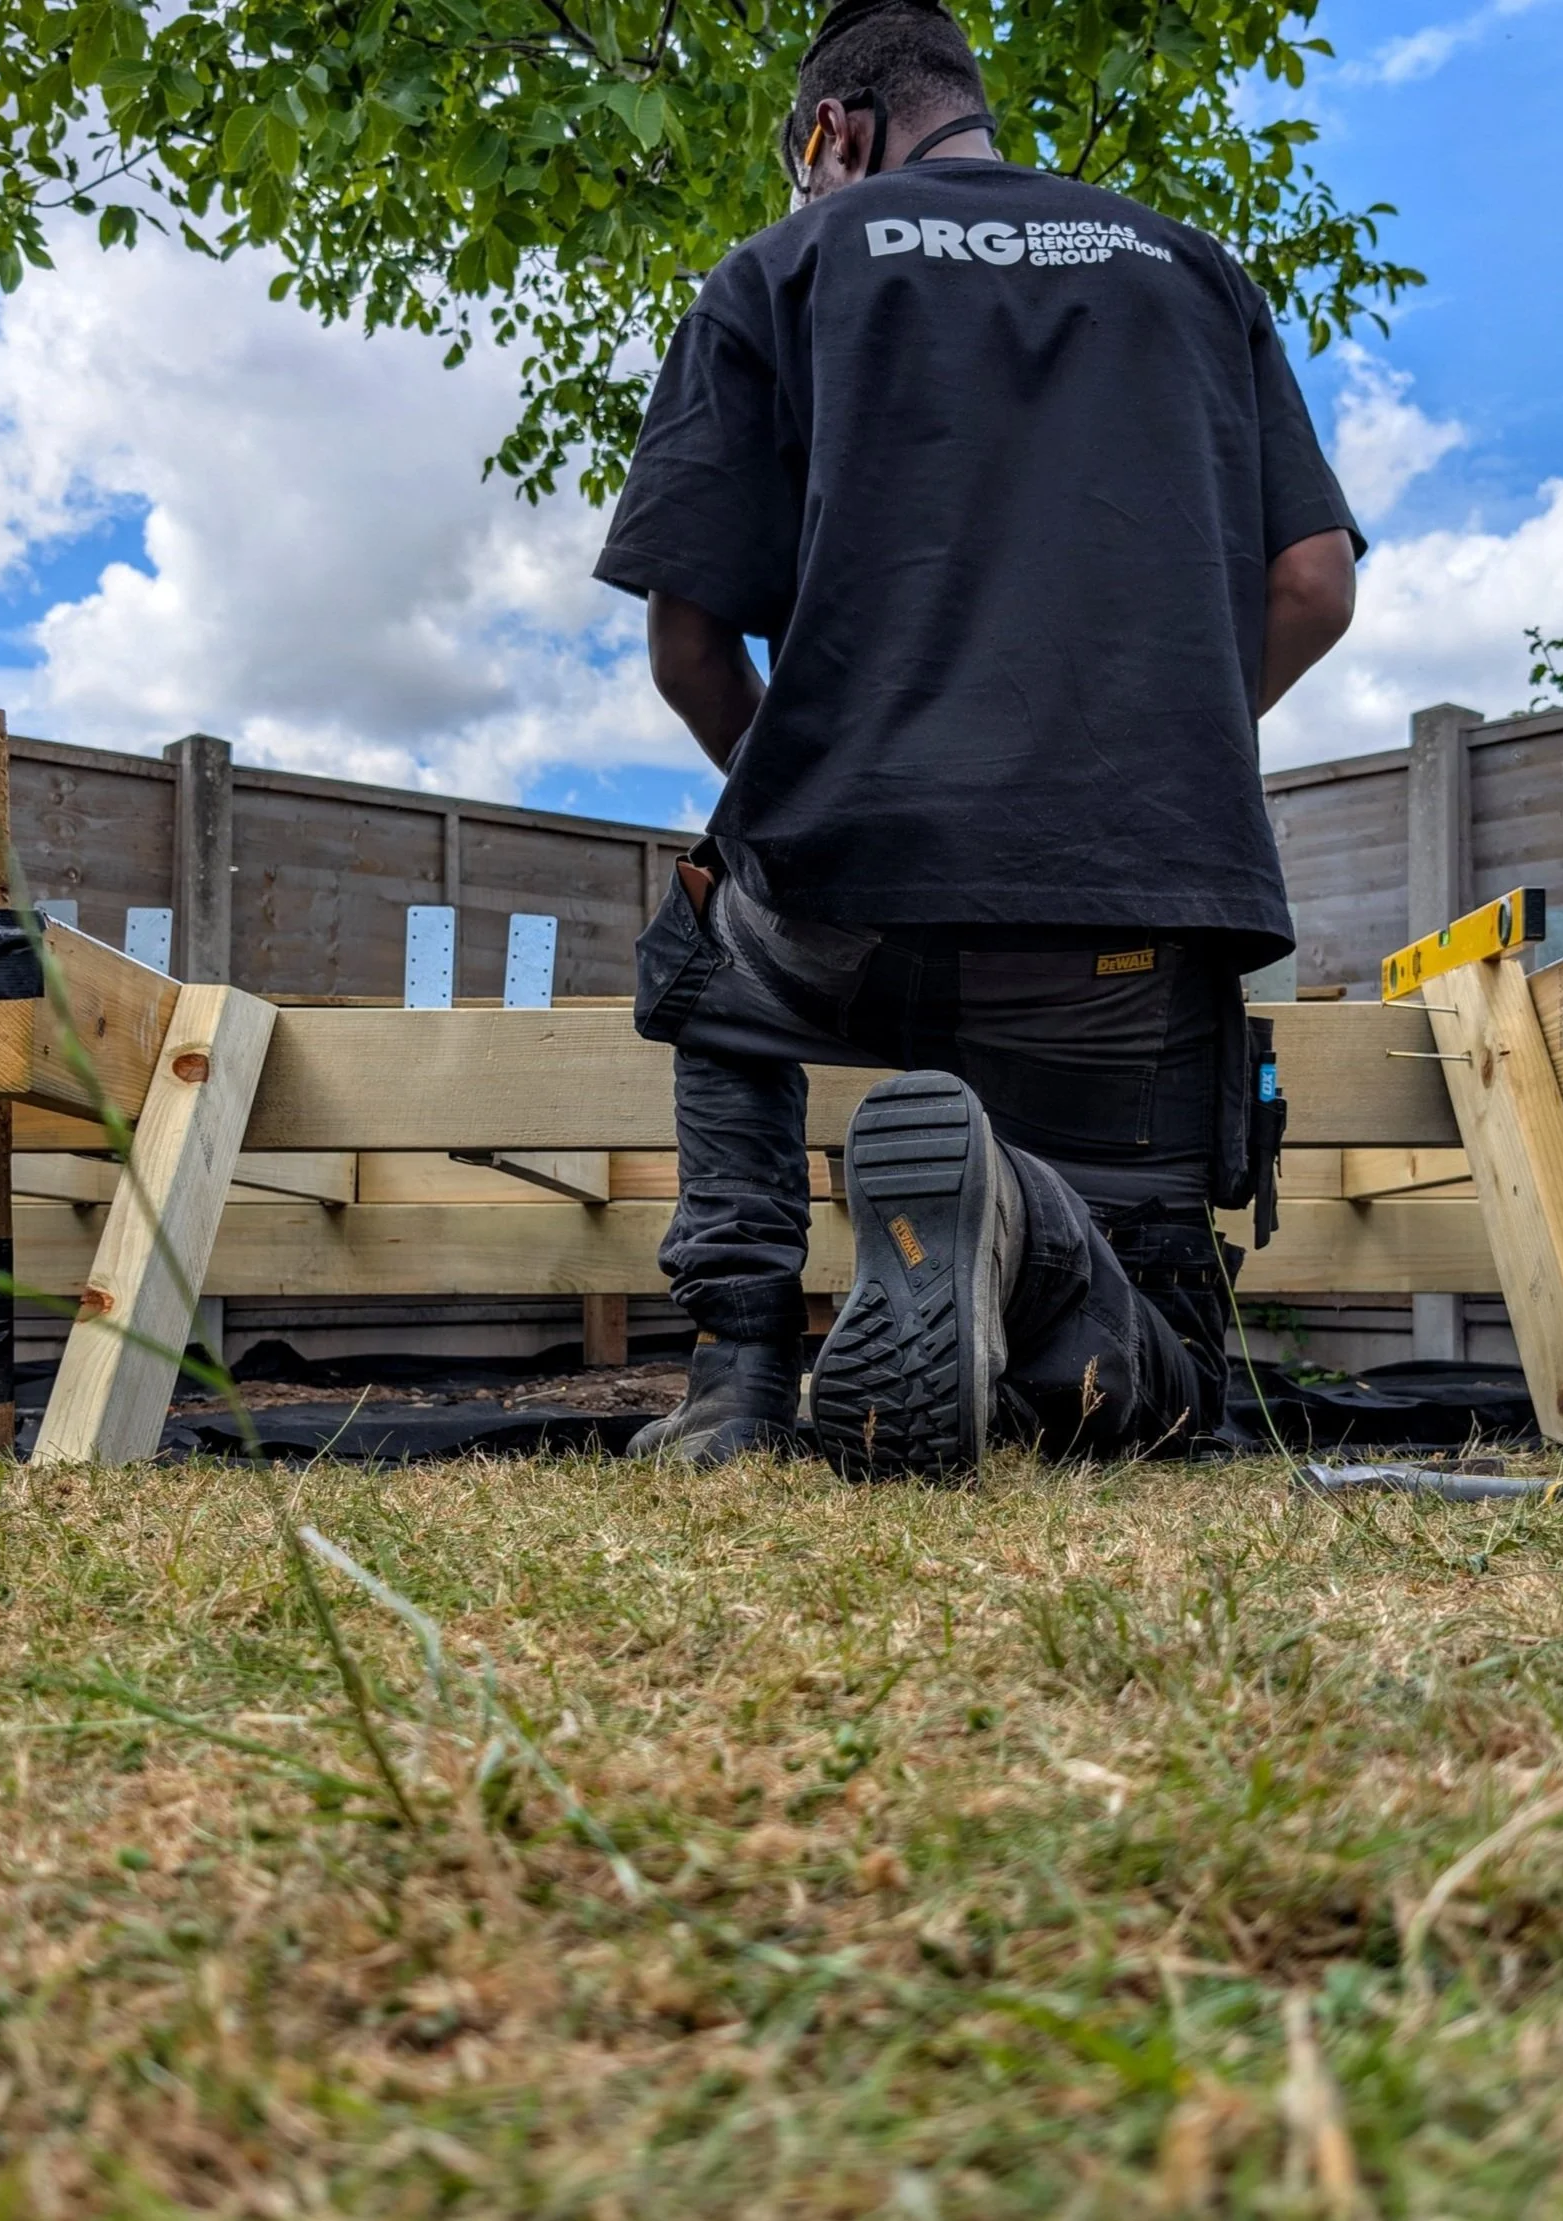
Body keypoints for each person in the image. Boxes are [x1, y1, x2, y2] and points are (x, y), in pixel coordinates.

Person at [593, 0, 1361, 1478]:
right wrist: (1154, 755)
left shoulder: (783, 267)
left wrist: (815, 791)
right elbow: (1313, 586)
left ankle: (740, 1379)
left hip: (846, 921)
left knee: (707, 947)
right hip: (1132, 930)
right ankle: (1035, 1234)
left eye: (804, 159)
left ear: (834, 133)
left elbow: (690, 650)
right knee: (1161, 1390)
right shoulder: (1194, 272)